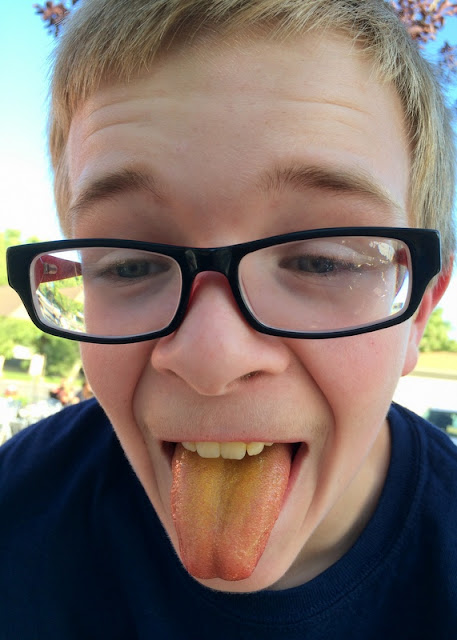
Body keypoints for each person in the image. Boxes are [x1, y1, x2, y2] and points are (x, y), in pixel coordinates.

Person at [2, 0, 457, 637]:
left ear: (418, 315)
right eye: (129, 265)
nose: (211, 356)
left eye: (322, 261)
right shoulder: (18, 507)